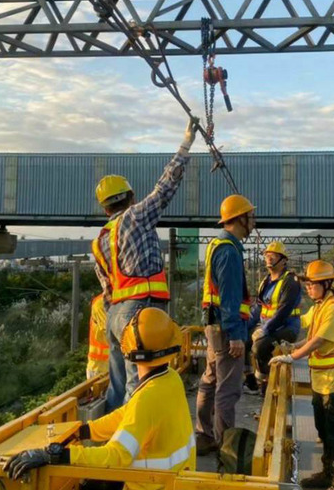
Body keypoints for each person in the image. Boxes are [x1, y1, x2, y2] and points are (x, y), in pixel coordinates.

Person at [4, 308, 195, 490]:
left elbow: (116, 456)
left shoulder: (148, 398)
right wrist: (86, 431)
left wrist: (55, 455)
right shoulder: (169, 379)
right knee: (89, 485)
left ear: (132, 350)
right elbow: (126, 414)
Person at [92, 118, 198, 412]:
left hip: (115, 316)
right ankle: (130, 436)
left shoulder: (100, 240)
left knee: (117, 386)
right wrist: (186, 144)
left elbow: (107, 289)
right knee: (138, 384)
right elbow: (165, 188)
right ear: (131, 197)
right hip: (141, 312)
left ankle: (111, 430)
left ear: (105, 207)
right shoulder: (136, 217)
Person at [269, 260, 334, 490]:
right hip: (321, 381)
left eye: (312, 284)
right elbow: (310, 337)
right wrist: (293, 345)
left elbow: (318, 341)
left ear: (326, 284)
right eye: (307, 284)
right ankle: (326, 474)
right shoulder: (320, 307)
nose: (308, 288)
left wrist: (292, 357)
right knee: (322, 430)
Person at [195, 194, 256, 456]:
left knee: (210, 379)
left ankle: (204, 435)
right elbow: (230, 298)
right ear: (240, 219)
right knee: (228, 389)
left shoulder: (217, 245)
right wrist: (235, 336)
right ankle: (225, 448)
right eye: (251, 216)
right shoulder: (229, 251)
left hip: (214, 325)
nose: (254, 221)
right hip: (226, 328)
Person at [249, 241, 302, 395]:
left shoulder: (290, 281)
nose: (269, 258)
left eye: (273, 255)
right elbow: (259, 307)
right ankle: (251, 378)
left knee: (260, 346)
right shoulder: (265, 281)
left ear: (283, 260)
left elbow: (283, 312)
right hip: (269, 325)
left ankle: (266, 381)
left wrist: (263, 331)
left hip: (287, 327)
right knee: (243, 338)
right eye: (267, 255)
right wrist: (246, 325)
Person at [86, 293, 109, 380]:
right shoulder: (100, 303)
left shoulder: (117, 301)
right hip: (99, 368)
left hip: (109, 366)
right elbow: (109, 331)